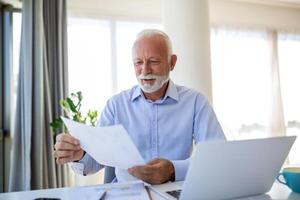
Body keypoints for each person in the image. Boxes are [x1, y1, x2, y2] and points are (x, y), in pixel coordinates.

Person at [54, 29, 226, 184]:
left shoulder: (195, 102)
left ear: (172, 63)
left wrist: (173, 170)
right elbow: (95, 161)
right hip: (125, 194)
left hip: (174, 193)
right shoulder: (116, 105)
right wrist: (78, 156)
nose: (145, 70)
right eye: (138, 62)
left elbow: (217, 158)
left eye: (153, 61)